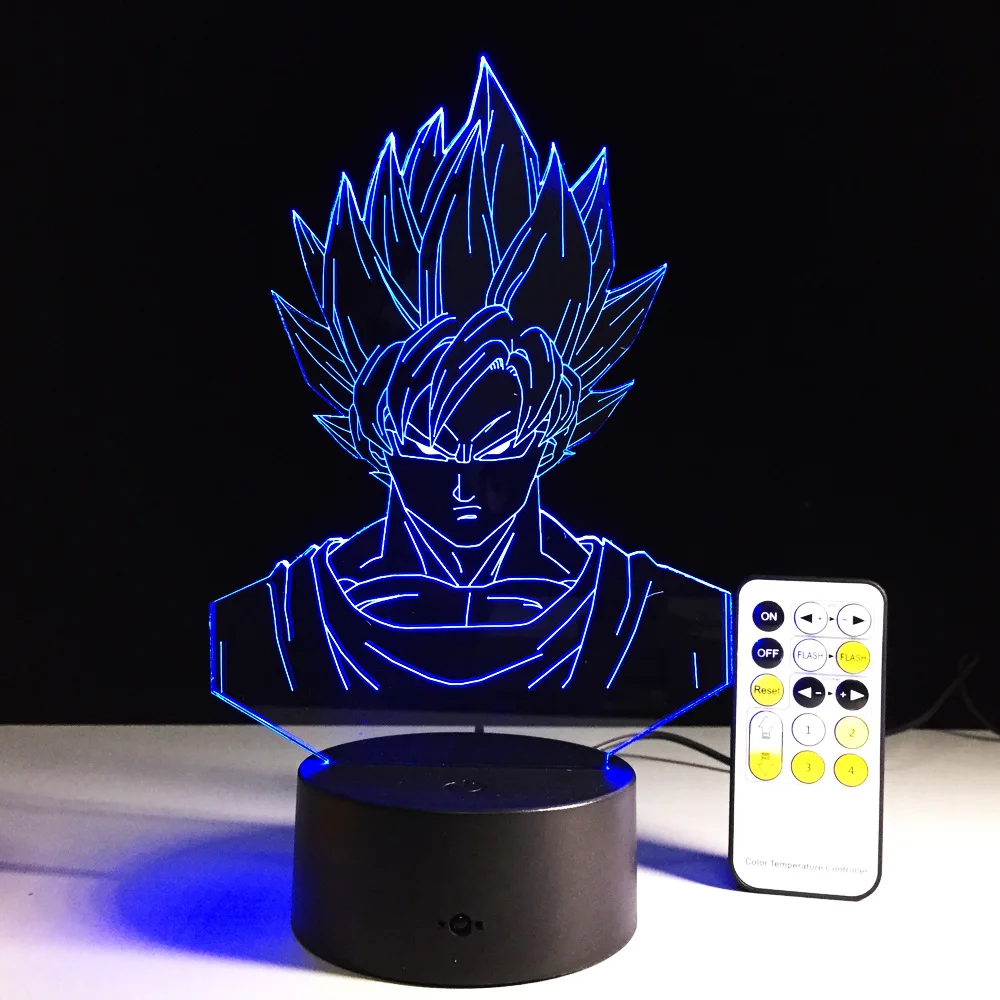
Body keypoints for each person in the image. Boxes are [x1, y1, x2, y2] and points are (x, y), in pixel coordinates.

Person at [210, 59, 729, 727]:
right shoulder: (269, 620)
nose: (463, 488)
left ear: (549, 434)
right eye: (428, 454)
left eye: (499, 452)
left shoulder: (656, 614)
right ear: (379, 438)